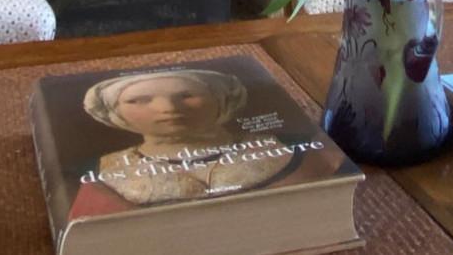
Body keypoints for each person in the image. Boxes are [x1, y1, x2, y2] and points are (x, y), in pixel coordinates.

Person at [68, 70, 319, 217]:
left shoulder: (297, 148)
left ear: (221, 100)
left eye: (187, 96)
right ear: (116, 112)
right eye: (140, 100)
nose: (167, 109)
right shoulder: (95, 173)